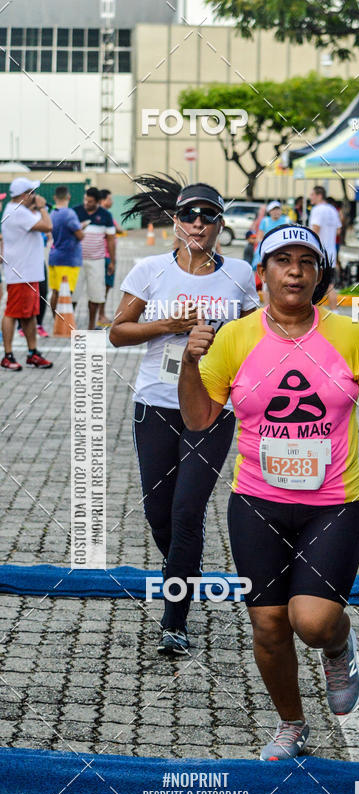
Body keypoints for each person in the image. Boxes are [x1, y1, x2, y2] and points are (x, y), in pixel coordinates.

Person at [178, 223, 359, 761]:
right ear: (261, 273)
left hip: (333, 504)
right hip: (256, 503)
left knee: (311, 623)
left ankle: (338, 645)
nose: (295, 271)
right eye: (282, 260)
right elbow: (200, 417)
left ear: (319, 274)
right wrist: (187, 362)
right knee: (269, 625)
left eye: (307, 262)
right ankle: (291, 725)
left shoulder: (348, 335)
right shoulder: (235, 337)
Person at [110, 175, 259, 654]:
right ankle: (183, 569)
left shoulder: (238, 273)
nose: (198, 222)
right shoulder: (150, 269)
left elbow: (259, 335)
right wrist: (168, 325)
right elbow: (118, 332)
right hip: (155, 400)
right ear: (175, 221)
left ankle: (175, 620)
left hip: (213, 406)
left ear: (220, 224)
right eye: (189, 214)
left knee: (186, 511)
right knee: (159, 515)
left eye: (208, 215)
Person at [1, 177, 53, 371]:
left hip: (28, 273)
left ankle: (33, 352)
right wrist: (42, 208)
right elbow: (48, 226)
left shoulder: (18, 211)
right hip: (21, 273)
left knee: (29, 315)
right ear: (24, 195)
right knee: (12, 313)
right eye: (32, 193)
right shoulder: (18, 213)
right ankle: (7, 355)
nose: (36, 196)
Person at [74, 187, 116, 331]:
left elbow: (111, 239)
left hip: (97, 261)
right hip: (76, 261)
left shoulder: (105, 215)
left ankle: (91, 325)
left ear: (98, 202)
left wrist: (112, 262)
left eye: (90, 201)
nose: (86, 203)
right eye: (85, 200)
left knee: (95, 295)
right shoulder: (76, 211)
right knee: (73, 294)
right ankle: (70, 322)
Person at [48, 186, 84, 317]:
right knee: (66, 292)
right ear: (68, 197)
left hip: (54, 257)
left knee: (55, 291)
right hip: (68, 259)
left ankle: (55, 319)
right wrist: (82, 228)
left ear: (54, 198)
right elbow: (80, 235)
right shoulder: (70, 213)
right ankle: (64, 321)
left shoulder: (52, 213)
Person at [308, 186, 341, 309]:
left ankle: (312, 313)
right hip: (331, 253)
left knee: (312, 284)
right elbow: (338, 230)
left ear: (319, 195)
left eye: (312, 194)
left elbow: (315, 230)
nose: (310, 197)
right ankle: (334, 311)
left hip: (319, 253)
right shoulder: (332, 210)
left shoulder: (317, 209)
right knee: (330, 285)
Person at [98, 189, 122, 327]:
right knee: (104, 287)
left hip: (104, 256)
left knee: (103, 287)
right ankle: (101, 315)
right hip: (106, 256)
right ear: (103, 200)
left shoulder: (103, 215)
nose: (111, 201)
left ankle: (100, 314)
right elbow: (118, 229)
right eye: (109, 199)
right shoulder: (105, 215)